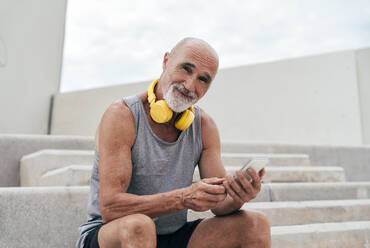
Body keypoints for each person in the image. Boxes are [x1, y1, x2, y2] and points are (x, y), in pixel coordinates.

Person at [76, 37, 271, 248]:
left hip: (173, 235)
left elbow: (221, 204)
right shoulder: (122, 115)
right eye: (186, 69)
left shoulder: (204, 125)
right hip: (113, 233)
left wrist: (239, 195)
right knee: (139, 226)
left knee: (255, 223)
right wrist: (183, 198)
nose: (190, 85)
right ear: (166, 61)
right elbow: (111, 208)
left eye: (202, 79)